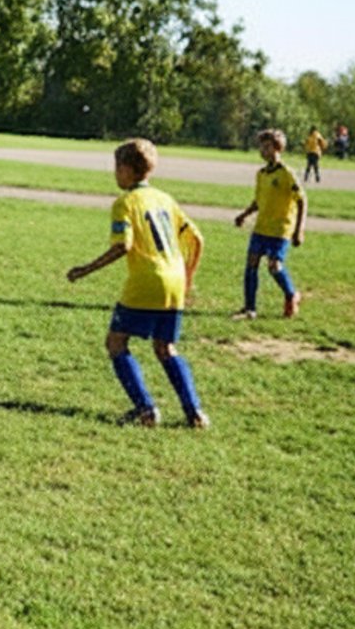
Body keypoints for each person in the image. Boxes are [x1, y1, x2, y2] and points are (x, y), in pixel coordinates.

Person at [66, 138, 208, 428]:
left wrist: (85, 269)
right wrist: (188, 278)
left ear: (128, 170)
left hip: (147, 280)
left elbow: (123, 245)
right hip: (175, 280)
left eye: (117, 167)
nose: (115, 173)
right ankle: (194, 413)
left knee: (116, 342)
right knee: (166, 347)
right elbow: (197, 239)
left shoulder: (125, 203)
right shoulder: (165, 199)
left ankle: (146, 410)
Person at [231, 128, 306, 320]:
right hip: (261, 227)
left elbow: (301, 200)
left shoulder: (286, 173)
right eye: (261, 147)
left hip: (280, 229)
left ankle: (291, 295)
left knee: (274, 266)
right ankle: (249, 308)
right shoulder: (261, 174)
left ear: (278, 148)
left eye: (267, 147)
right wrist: (244, 215)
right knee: (251, 264)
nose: (263, 151)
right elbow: (258, 201)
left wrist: (299, 230)